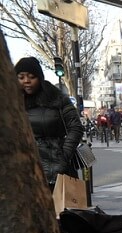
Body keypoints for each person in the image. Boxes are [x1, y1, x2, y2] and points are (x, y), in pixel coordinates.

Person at [15, 57, 84, 190]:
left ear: (39, 78)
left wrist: (63, 156)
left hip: (57, 168)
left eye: (31, 77)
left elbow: (75, 128)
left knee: (62, 209)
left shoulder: (57, 98)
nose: (26, 81)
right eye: (21, 77)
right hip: (24, 169)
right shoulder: (10, 102)